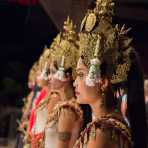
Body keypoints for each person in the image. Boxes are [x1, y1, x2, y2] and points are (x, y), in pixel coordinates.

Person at [73, 0, 147, 147]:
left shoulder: (102, 132)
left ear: (103, 82)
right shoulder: (109, 125)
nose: (75, 82)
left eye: (81, 75)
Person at [40, 17, 83, 148]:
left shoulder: (67, 109)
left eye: (53, 72)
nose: (50, 77)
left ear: (67, 76)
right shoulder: (63, 106)